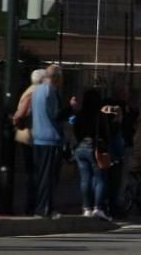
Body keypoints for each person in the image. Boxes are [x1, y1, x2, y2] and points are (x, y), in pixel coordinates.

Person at [31, 65, 75, 219]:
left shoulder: (36, 91)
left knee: (41, 175)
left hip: (38, 137)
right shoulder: (52, 91)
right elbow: (57, 115)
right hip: (50, 139)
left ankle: (40, 206)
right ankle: (45, 208)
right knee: (49, 177)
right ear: (57, 77)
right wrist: (70, 108)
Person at [73, 89, 113, 221]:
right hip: (95, 148)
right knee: (99, 178)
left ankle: (86, 208)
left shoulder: (80, 114)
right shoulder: (99, 115)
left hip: (80, 148)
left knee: (85, 179)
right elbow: (106, 133)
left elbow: (75, 130)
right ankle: (98, 208)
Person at [12, 69, 46, 215]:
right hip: (32, 137)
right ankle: (32, 206)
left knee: (33, 172)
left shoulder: (30, 90)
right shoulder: (35, 92)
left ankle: (32, 205)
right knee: (35, 173)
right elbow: (21, 115)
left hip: (28, 136)